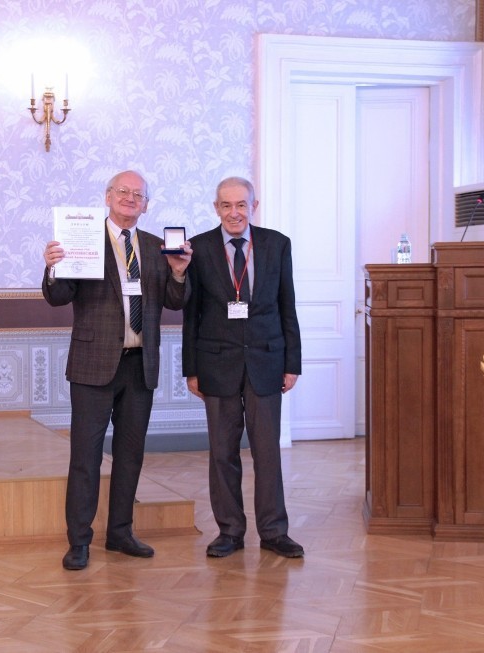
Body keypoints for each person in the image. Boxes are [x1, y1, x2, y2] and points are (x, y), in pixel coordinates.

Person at [42, 170, 191, 571]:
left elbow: (175, 302)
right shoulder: (83, 240)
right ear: (108, 197)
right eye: (123, 191)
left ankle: (121, 532)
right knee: (85, 457)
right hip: (93, 365)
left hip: (140, 365)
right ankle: (79, 541)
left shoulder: (157, 247)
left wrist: (179, 271)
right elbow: (59, 297)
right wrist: (53, 267)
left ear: (146, 205)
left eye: (138, 194)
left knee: (130, 454)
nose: (130, 198)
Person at [182, 176, 304, 559]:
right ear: (216, 208)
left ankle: (274, 532)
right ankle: (230, 532)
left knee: (267, 452)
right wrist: (191, 369)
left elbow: (287, 305)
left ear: (254, 206)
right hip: (216, 363)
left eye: (241, 205)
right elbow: (191, 314)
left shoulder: (277, 244)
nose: (234, 212)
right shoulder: (198, 248)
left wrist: (292, 363)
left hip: (267, 361)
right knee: (222, 452)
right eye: (226, 205)